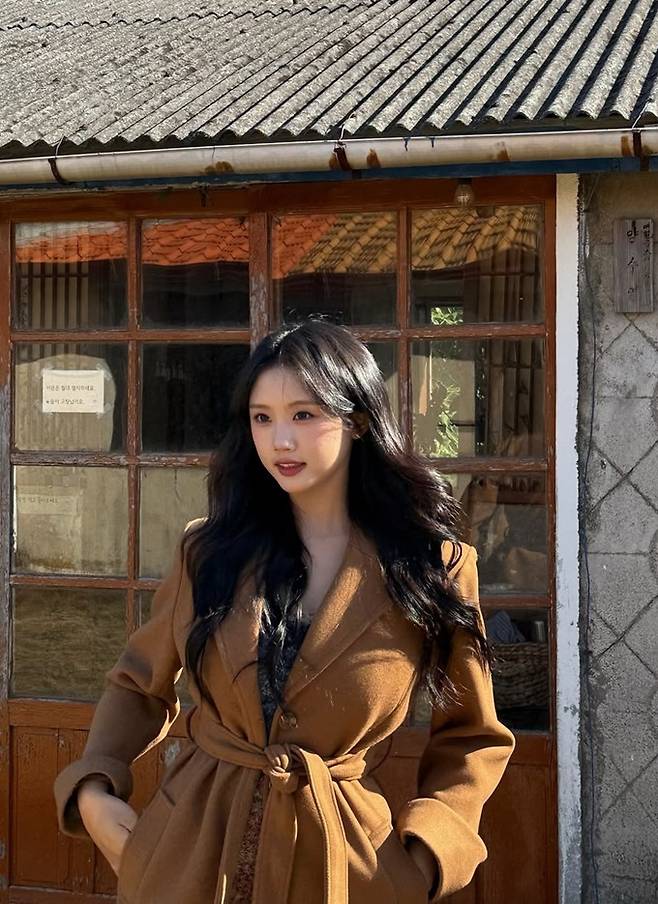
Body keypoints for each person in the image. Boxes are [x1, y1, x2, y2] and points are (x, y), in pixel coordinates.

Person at [54, 316, 516, 904]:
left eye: (303, 415)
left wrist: (427, 857)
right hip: (187, 859)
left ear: (357, 421)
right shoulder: (208, 551)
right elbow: (138, 684)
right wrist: (93, 789)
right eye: (262, 418)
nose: (280, 441)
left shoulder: (433, 566)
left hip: (347, 869)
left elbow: (472, 736)